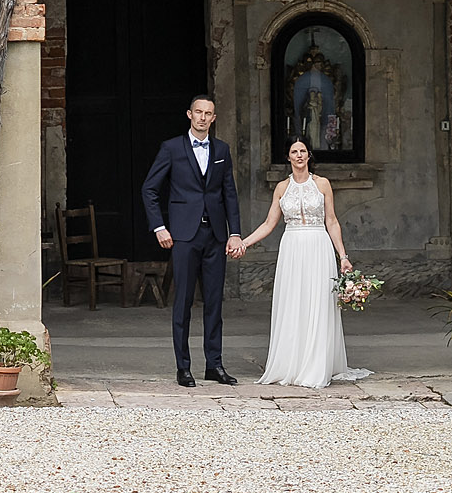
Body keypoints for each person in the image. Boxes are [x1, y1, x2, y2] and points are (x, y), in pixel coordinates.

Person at [238, 139, 372, 388]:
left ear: (309, 155)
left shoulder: (322, 184)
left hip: (318, 245)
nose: (299, 155)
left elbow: (331, 220)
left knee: (318, 302)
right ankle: (292, 364)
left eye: (302, 151)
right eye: (293, 152)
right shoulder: (281, 187)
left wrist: (342, 255)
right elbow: (269, 224)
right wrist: (244, 243)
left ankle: (316, 366)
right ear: (288, 157)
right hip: (292, 247)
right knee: (293, 302)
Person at [140, 94, 243, 388]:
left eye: (208, 113)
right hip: (184, 236)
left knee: (214, 304)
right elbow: (150, 189)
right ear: (189, 114)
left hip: (215, 236)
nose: (202, 117)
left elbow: (229, 194)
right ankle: (183, 368)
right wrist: (159, 227)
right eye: (198, 112)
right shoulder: (171, 148)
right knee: (183, 302)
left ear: (213, 118)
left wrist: (234, 232)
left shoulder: (222, 149)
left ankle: (215, 365)